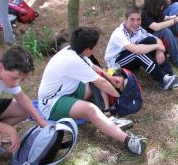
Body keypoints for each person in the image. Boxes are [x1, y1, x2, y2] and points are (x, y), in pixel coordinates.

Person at [38, 27, 147, 155]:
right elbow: (101, 83)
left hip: (68, 92)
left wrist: (109, 76)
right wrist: (120, 96)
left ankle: (107, 114)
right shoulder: (73, 60)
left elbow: (93, 67)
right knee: (90, 109)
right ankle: (128, 140)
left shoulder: (73, 51)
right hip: (52, 103)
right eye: (93, 47)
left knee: (97, 78)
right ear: (87, 49)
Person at [0, 46, 47, 165]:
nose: (17, 83)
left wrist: (41, 121)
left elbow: (21, 97)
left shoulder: (3, 72)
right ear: (1, 67)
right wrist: (9, 130)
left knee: (24, 110)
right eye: (14, 78)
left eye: (21, 79)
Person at [105, 6, 178, 90]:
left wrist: (159, 51)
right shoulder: (119, 33)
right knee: (138, 52)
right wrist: (157, 46)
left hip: (130, 58)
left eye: (138, 19)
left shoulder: (138, 30)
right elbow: (136, 50)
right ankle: (163, 79)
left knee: (150, 40)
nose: (136, 23)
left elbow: (157, 40)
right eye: (132, 19)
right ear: (126, 19)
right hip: (116, 64)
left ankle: (169, 76)